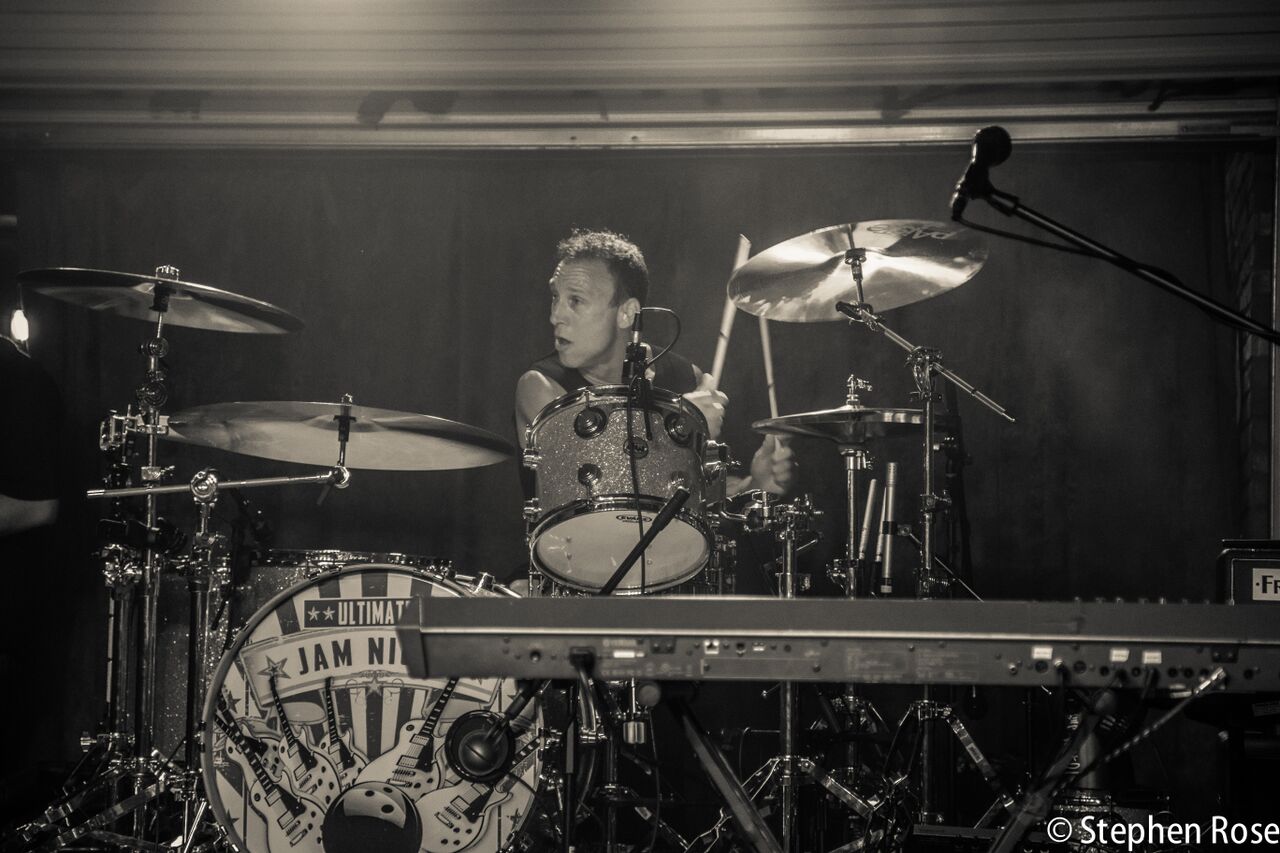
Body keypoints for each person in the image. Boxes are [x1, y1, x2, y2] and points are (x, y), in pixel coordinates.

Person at [515, 228, 795, 496]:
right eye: (555, 297)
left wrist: (755, 484)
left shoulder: (685, 379)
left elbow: (698, 502)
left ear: (627, 313)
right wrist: (679, 427)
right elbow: (588, 489)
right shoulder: (542, 388)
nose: (555, 316)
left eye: (575, 300)